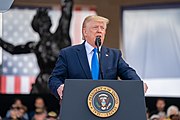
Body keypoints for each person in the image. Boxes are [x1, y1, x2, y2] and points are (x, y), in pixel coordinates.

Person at [48, 15, 148, 100]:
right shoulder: (68, 54)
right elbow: (55, 78)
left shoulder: (114, 55)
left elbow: (128, 72)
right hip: (78, 106)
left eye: (102, 28)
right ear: (85, 32)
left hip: (106, 107)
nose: (99, 31)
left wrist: (138, 84)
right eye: (95, 27)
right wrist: (59, 87)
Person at [0, 0, 73, 93]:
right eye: (40, 24)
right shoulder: (35, 46)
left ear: (49, 23)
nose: (42, 26)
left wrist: (67, 3)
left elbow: (66, 14)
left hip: (62, 81)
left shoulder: (60, 36)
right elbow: (13, 49)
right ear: (36, 27)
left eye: (44, 22)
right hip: (43, 83)